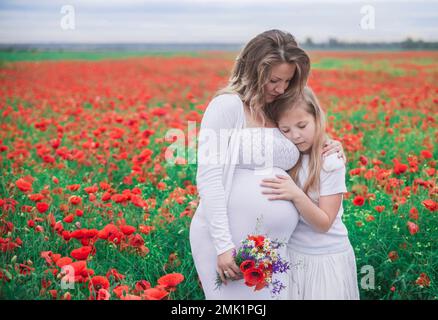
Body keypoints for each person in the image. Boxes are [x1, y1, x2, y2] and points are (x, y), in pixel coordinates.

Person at [189, 29, 345, 300]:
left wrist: (328, 143)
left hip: (278, 246)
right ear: (253, 71)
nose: (281, 88)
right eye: (274, 80)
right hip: (229, 243)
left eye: (287, 81)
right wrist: (223, 246)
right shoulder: (226, 106)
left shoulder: (276, 107)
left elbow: (302, 134)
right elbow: (209, 178)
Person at [260, 86, 360, 300]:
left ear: (317, 117)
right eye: (285, 130)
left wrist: (296, 194)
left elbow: (324, 223)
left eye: (302, 125)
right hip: (293, 256)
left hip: (325, 258)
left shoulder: (330, 161)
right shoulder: (287, 157)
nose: (295, 135)